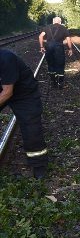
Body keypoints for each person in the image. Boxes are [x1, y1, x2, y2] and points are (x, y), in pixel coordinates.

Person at [0, 48, 48, 179]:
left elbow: (7, 92)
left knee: (30, 126)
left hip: (24, 93)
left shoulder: (5, 58)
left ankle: (39, 164)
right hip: (3, 89)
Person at [38, 17, 73, 88]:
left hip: (49, 47)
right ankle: (60, 84)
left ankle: (53, 83)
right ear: (60, 22)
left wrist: (41, 47)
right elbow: (68, 39)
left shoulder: (47, 27)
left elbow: (40, 36)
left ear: (53, 21)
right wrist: (70, 49)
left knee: (51, 64)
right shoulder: (63, 28)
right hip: (59, 48)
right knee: (60, 64)